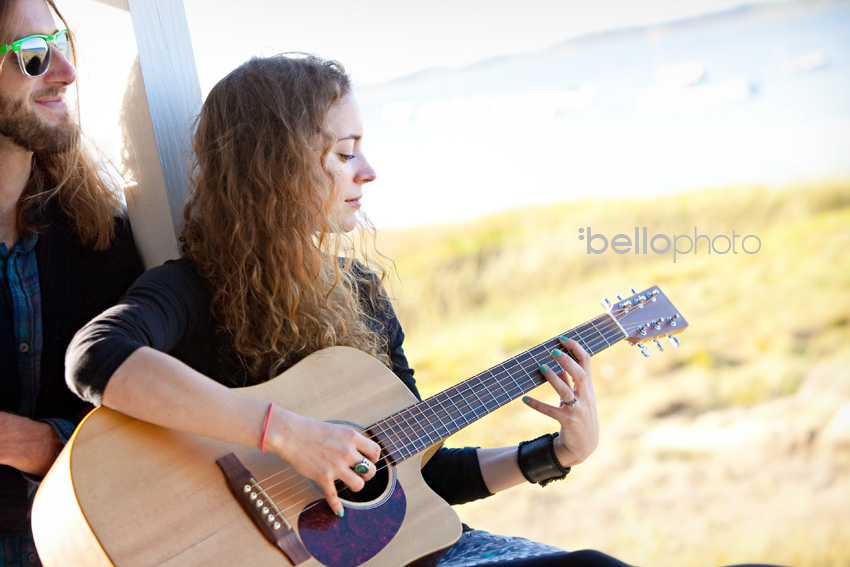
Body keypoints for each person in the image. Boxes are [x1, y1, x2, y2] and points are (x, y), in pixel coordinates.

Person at [64, 54, 779, 567]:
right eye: (344, 153)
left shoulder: (363, 294)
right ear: (274, 168)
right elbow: (96, 358)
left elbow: (416, 480)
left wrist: (551, 454)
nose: (368, 173)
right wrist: (285, 433)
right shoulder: (194, 287)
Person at [0, 0, 144, 565]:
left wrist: (41, 443)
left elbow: (145, 396)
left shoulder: (96, 234)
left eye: (63, 41)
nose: (67, 70)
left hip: (92, 540)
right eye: (33, 55)